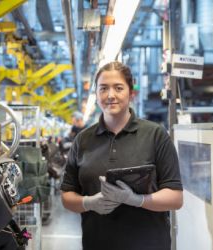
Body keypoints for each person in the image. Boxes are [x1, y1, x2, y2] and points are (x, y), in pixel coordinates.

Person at [60, 61, 183, 250]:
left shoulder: (155, 135)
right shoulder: (82, 140)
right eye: (103, 88)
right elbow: (67, 196)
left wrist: (137, 200)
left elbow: (175, 198)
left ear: (131, 93)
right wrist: (88, 203)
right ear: (97, 94)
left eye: (118, 88)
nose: (111, 95)